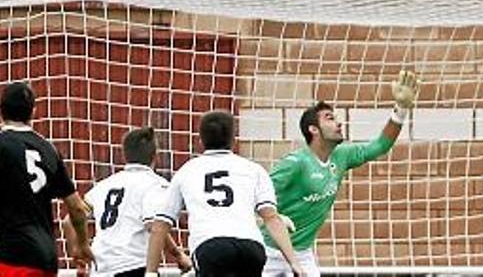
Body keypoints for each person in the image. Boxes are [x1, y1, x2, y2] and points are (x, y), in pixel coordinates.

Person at [262, 70, 420, 277]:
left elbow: (381, 145)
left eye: (336, 118)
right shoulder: (295, 163)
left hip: (302, 253)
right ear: (313, 129)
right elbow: (256, 194)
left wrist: (401, 109)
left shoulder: (342, 156)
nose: (339, 123)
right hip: (269, 252)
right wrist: (273, 217)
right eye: (329, 118)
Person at [146, 110, 302, 277]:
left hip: (211, 246)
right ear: (234, 139)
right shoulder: (253, 169)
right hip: (251, 247)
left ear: (200, 141)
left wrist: (151, 272)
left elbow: (160, 225)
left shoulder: (188, 170)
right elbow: (271, 218)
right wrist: (294, 262)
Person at [61, 127, 192, 277]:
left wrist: (77, 252)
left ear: (124, 155)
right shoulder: (155, 184)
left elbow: (68, 222)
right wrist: (178, 254)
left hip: (100, 268)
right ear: (155, 156)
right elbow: (155, 225)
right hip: (131, 265)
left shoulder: (105, 185)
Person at [0, 81, 93, 275]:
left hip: (10, 256)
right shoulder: (49, 149)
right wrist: (82, 244)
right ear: (33, 111)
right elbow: (77, 208)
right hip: (45, 257)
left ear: (2, 111)